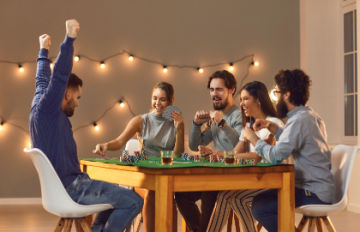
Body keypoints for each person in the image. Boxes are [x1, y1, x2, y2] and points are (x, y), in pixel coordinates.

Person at [29, 19, 143, 232]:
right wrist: (69, 38)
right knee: (134, 201)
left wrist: (43, 51)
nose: (78, 102)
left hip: (68, 188)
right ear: (67, 93)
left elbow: (42, 80)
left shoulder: (39, 104)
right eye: (78, 97)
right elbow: (60, 75)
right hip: (73, 189)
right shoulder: (49, 109)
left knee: (117, 196)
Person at [242, 69, 336, 232]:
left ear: (286, 95)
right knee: (262, 200)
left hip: (313, 192)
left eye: (277, 92)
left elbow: (275, 156)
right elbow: (294, 141)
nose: (276, 98)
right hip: (321, 188)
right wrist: (271, 127)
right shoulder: (310, 116)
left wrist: (253, 138)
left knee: (260, 207)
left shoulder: (298, 121)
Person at [93, 81, 184, 232]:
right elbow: (120, 141)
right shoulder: (141, 121)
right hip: (143, 176)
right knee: (152, 193)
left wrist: (179, 128)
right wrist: (106, 145)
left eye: (162, 99)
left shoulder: (176, 122)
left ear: (171, 101)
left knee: (167, 195)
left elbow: (178, 154)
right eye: (154, 98)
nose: (157, 103)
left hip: (165, 176)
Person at [206, 81, 284, 232]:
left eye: (245, 99)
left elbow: (256, 157)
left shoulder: (273, 123)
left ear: (258, 100)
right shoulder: (249, 126)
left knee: (234, 197)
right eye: (240, 99)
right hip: (258, 179)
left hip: (273, 180)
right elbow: (236, 153)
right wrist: (217, 154)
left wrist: (251, 137)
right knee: (226, 195)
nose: (241, 103)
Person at [175, 70, 242, 232]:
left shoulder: (240, 115)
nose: (214, 94)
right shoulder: (215, 117)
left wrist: (222, 123)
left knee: (208, 189)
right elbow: (194, 144)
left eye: (219, 89)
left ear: (231, 90)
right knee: (181, 194)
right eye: (212, 90)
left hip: (237, 176)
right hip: (215, 175)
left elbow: (240, 144)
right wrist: (196, 124)